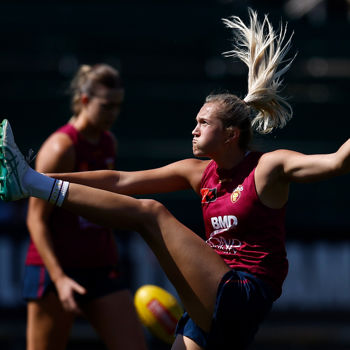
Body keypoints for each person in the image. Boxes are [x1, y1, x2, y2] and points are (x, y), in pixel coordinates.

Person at [1, 9, 349, 350]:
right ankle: (31, 182)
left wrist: (32, 181)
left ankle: (30, 184)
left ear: (229, 134)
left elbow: (336, 162)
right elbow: (121, 180)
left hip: (243, 293)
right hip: (211, 295)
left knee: (150, 213)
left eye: (203, 123)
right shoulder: (197, 172)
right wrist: (38, 174)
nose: (194, 130)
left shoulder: (268, 167)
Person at [21, 64, 147, 350]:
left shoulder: (108, 142)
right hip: (57, 270)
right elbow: (36, 220)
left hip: (100, 266)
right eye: (107, 106)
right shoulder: (60, 148)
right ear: (85, 100)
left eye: (118, 105)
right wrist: (60, 279)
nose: (114, 113)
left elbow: (102, 204)